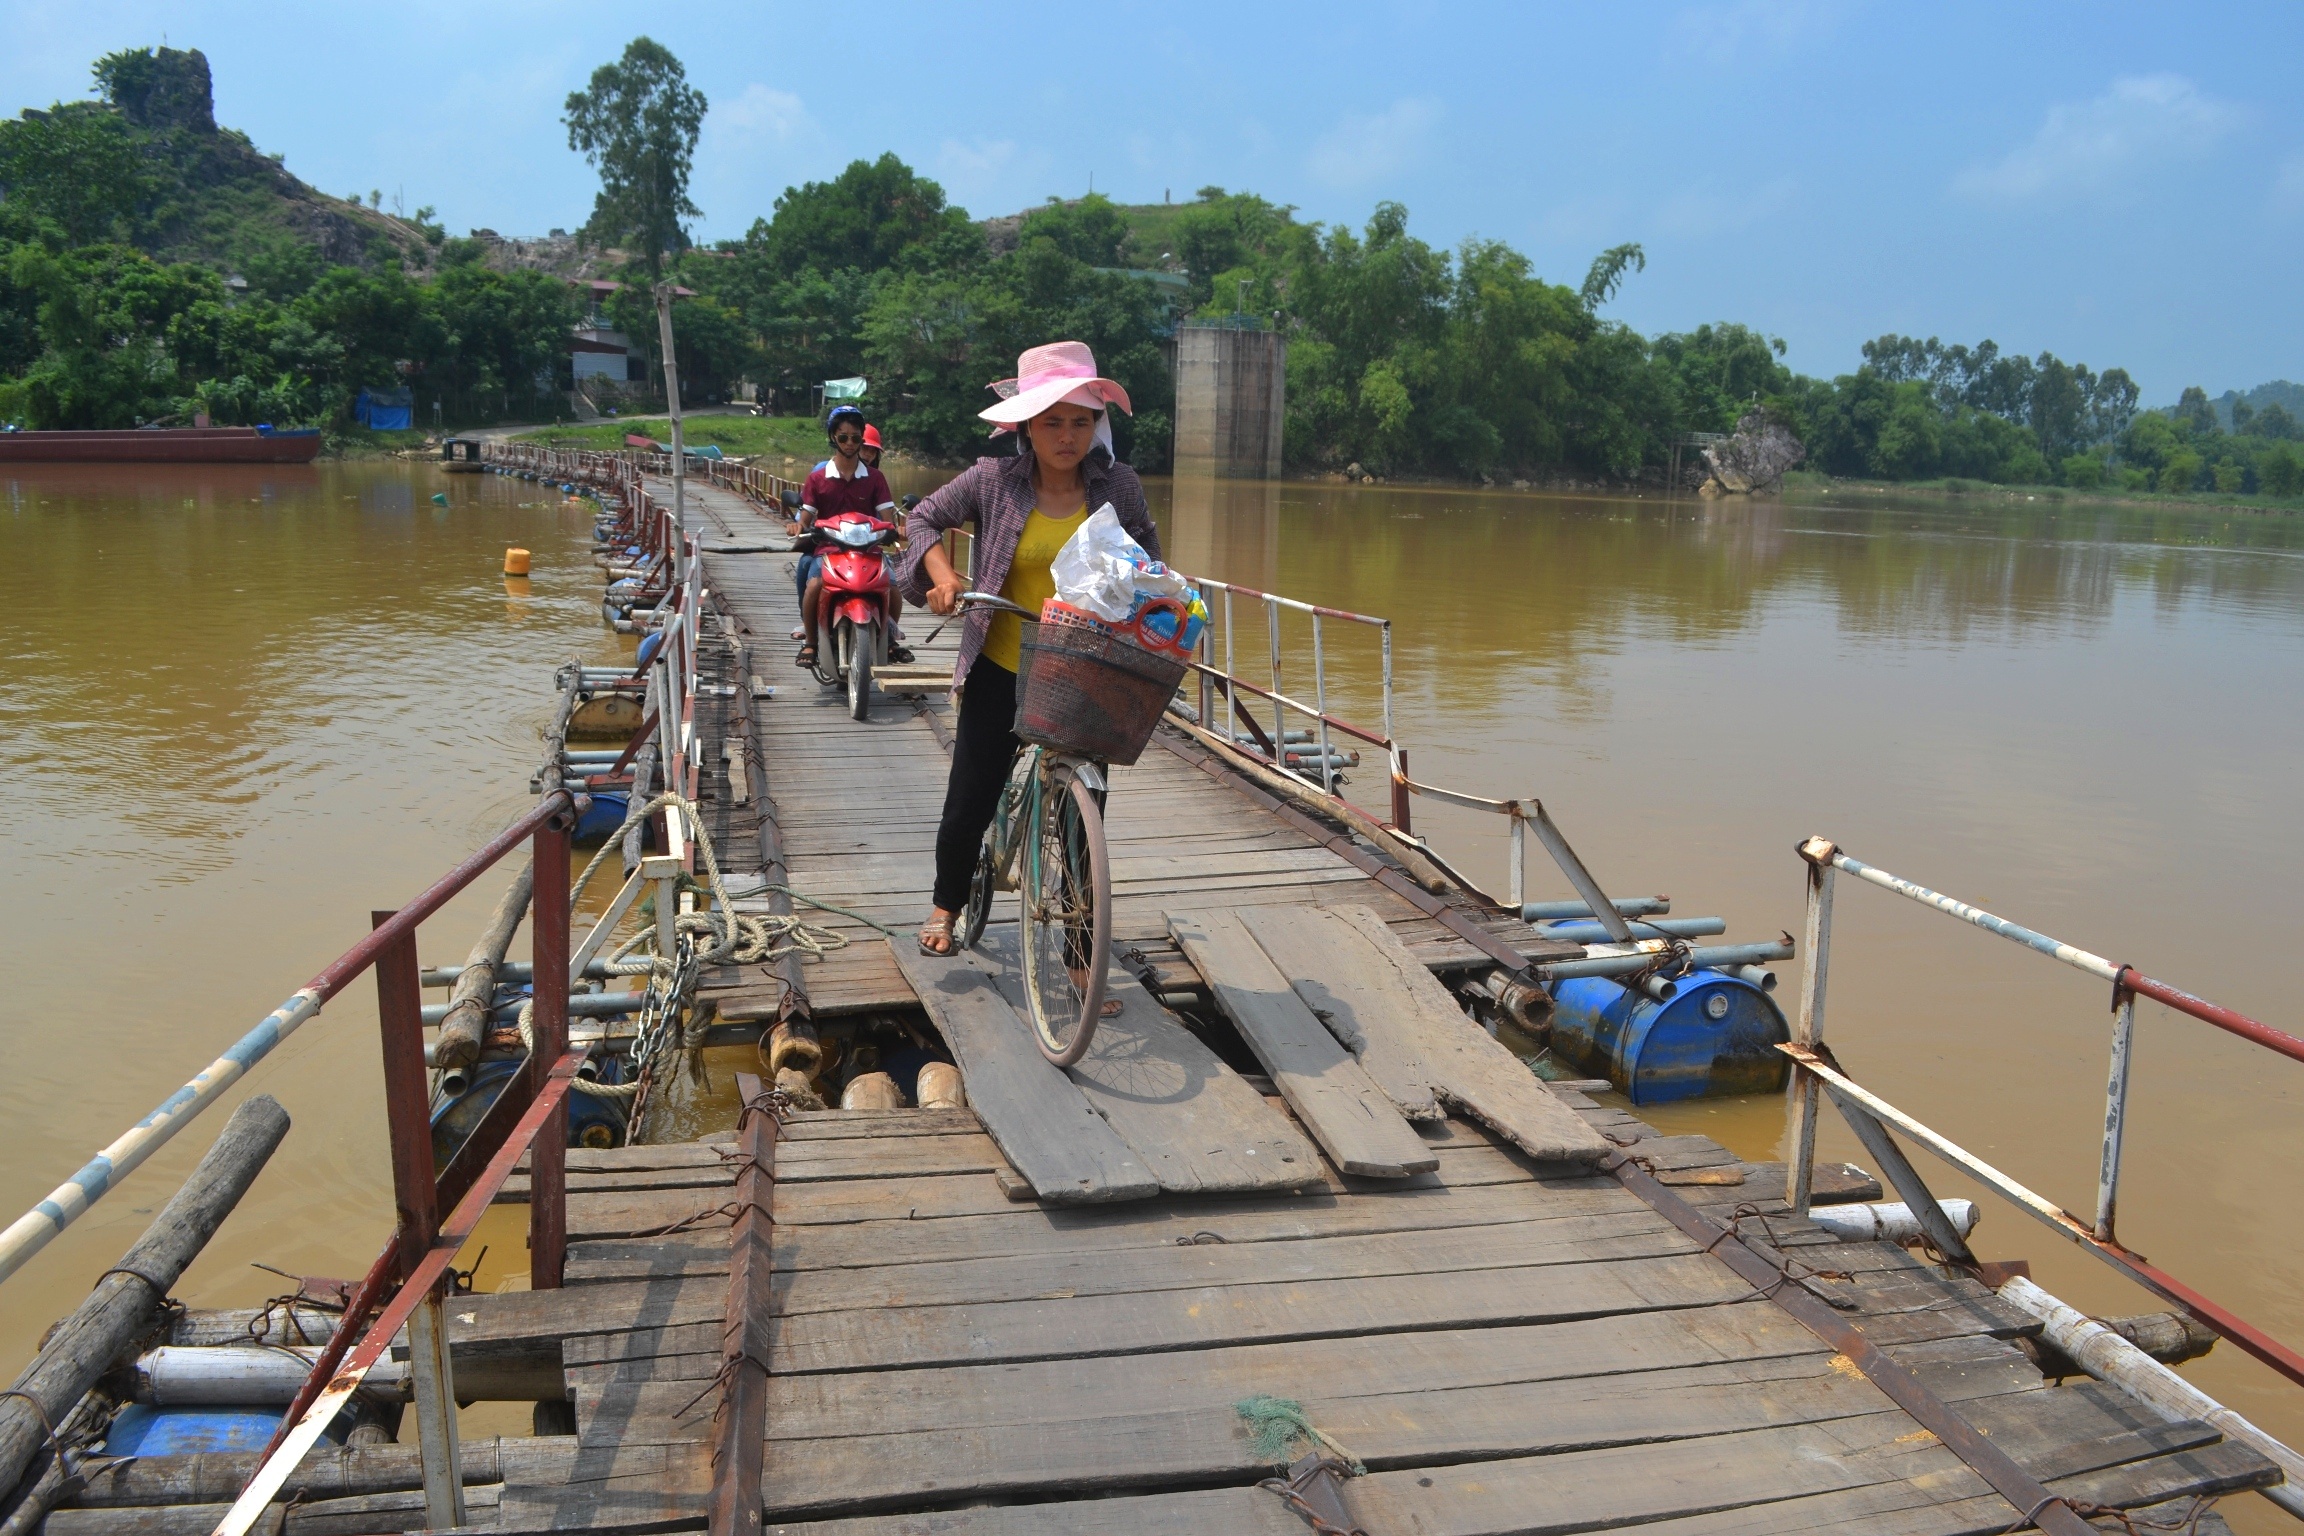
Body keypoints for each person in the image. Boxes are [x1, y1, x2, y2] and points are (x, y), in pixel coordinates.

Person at [897, 341, 1159, 963]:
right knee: (970, 798)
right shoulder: (992, 482)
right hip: (1002, 665)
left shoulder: (1118, 486)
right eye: (1052, 422)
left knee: (1083, 818)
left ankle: (1080, 957)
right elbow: (923, 519)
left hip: (1083, 672)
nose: (1067, 436)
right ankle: (945, 906)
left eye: (1081, 421)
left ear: (1096, 425)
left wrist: (1157, 600)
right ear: (1027, 427)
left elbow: (1150, 559)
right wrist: (943, 576)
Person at [794, 406, 899, 668]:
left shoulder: (875, 478)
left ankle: (890, 640)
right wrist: (796, 526)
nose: (850, 443)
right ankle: (810, 642)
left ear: (862, 438)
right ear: (833, 437)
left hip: (868, 549)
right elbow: (805, 517)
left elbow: (888, 516)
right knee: (814, 585)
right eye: (843, 437)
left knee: (893, 587)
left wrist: (895, 528)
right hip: (828, 549)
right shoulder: (817, 478)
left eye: (855, 437)